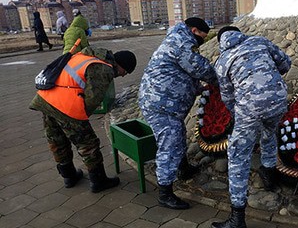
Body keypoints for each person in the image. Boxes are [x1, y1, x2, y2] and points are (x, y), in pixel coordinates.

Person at [211, 26, 292, 228]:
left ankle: (237, 219)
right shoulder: (260, 41)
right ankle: (269, 175)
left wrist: (240, 115)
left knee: (238, 156)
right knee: (269, 134)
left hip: (250, 107)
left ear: (221, 41)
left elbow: (228, 97)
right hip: (279, 100)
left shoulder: (222, 62)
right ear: (240, 33)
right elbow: (285, 63)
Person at [29, 46, 137, 193]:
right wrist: (79, 122)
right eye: (126, 72)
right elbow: (93, 100)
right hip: (65, 105)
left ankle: (69, 176)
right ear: (121, 66)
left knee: (57, 139)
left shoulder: (87, 57)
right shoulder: (103, 69)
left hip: (47, 99)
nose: (123, 76)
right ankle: (99, 181)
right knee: (88, 144)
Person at [138, 17, 218, 210]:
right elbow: (200, 68)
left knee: (177, 136)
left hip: (164, 102)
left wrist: (196, 89)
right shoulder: (182, 42)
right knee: (169, 146)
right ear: (193, 30)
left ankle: (183, 169)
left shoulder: (176, 38)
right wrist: (219, 80)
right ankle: (165, 193)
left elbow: (182, 73)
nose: (202, 41)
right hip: (161, 105)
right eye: (202, 36)